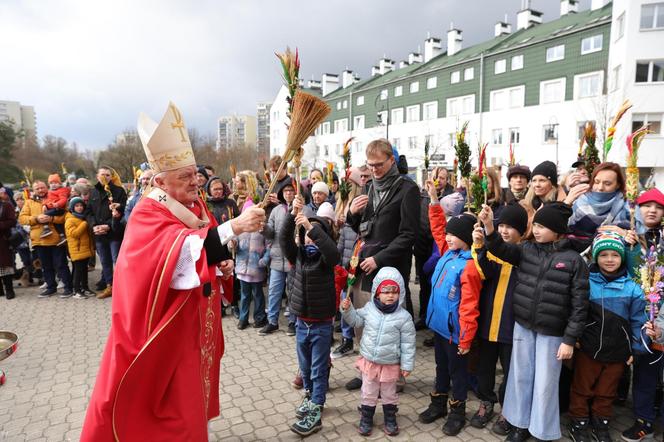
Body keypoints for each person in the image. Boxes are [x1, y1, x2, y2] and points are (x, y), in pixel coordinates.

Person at [81, 101, 265, 441]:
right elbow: (176, 254)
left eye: (195, 173)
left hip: (193, 326)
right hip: (159, 328)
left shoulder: (194, 204)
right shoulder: (148, 211)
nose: (196, 182)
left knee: (192, 396)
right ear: (161, 182)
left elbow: (202, 247)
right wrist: (235, 227)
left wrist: (219, 261)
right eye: (185, 177)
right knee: (168, 406)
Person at [478, 201, 589, 442]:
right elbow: (500, 249)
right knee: (520, 377)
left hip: (553, 333)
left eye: (542, 226)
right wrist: (488, 226)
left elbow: (580, 305)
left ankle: (541, 430)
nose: (536, 230)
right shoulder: (526, 249)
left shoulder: (573, 261)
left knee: (545, 382)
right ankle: (519, 424)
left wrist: (569, 339)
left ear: (558, 229)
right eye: (535, 224)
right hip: (523, 326)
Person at [344, 139, 420, 391]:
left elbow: (409, 234)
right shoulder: (368, 187)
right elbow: (361, 228)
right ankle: (367, 370)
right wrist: (352, 214)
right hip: (365, 263)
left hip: (390, 266)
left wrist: (380, 258)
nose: (374, 170)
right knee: (366, 319)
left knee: (390, 325)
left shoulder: (407, 189)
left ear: (391, 160)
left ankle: (392, 376)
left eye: (379, 165)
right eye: (370, 165)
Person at [568, 231, 646, 442]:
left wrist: (636, 349)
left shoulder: (632, 288)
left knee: (607, 391)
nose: (609, 260)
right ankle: (579, 420)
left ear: (622, 257)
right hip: (588, 348)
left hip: (619, 352)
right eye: (603, 255)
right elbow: (576, 311)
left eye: (615, 255)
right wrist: (574, 337)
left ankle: (601, 422)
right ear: (595, 257)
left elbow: (639, 321)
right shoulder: (586, 282)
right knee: (582, 388)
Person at [418, 180, 481, 437]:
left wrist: (466, 338)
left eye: (453, 235)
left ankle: (457, 411)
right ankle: (438, 404)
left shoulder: (470, 266)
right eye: (448, 235)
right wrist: (433, 200)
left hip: (457, 334)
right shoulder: (448, 253)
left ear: (466, 239)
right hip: (440, 329)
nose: (447, 237)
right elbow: (438, 228)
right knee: (441, 368)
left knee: (458, 374)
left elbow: (469, 306)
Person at [280, 193, 340, 437]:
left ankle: (317, 405)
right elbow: (284, 238)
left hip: (321, 325)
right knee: (305, 369)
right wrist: (292, 215)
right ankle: (309, 396)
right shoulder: (298, 256)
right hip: (300, 323)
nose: (310, 237)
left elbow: (333, 254)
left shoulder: (326, 260)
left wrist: (310, 226)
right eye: (306, 234)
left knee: (317, 368)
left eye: (315, 234)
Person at [468, 203, 528, 435]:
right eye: (500, 225)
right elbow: (484, 271)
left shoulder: (524, 255)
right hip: (487, 325)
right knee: (485, 369)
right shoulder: (492, 250)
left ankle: (508, 410)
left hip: (511, 328)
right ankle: (486, 402)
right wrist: (479, 246)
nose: (504, 230)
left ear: (522, 231)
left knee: (511, 371)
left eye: (510, 227)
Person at [340, 266, 416, 437]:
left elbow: (408, 343)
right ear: (376, 292)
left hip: (390, 364)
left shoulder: (404, 317)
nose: (390, 296)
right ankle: (366, 417)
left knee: (389, 393)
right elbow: (355, 321)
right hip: (370, 363)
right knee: (368, 392)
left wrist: (407, 364)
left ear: (400, 293)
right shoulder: (369, 309)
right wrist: (347, 310)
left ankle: (390, 417)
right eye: (386, 291)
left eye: (394, 292)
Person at [620, 187, 664, 442]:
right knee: (646, 370)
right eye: (647, 206)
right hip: (641, 315)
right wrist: (626, 245)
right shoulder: (632, 240)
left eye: (658, 207)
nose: (652, 211)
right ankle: (644, 420)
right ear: (638, 209)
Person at [19, 180, 73, 298]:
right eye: (37, 188)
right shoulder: (29, 202)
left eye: (42, 187)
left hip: (56, 239)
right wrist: (37, 219)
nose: (40, 190)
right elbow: (22, 219)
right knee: (46, 266)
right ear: (33, 190)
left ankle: (68, 287)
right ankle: (51, 287)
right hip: (39, 240)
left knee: (61, 264)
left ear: (47, 187)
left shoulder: (55, 198)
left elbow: (65, 216)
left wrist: (51, 219)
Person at [331, 168, 363, 358]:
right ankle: (346, 339)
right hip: (345, 268)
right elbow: (341, 245)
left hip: (360, 268)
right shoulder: (346, 224)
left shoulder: (363, 218)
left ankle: (359, 340)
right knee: (345, 302)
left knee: (357, 307)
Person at [567, 162, 630, 248]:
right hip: (574, 254)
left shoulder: (628, 207)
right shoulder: (578, 199)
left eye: (607, 184)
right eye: (596, 182)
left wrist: (625, 234)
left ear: (618, 185)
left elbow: (638, 241)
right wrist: (566, 204)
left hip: (612, 258)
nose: (600, 187)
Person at [261, 179, 295, 336]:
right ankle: (272, 322)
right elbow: (270, 234)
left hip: (293, 259)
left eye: (291, 190)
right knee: (274, 291)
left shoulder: (302, 210)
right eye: (286, 190)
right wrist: (263, 228)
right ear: (282, 193)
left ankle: (293, 322)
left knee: (293, 291)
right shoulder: (276, 211)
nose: (288, 193)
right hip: (276, 259)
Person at [86, 166, 127, 298]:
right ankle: (110, 286)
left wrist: (108, 225)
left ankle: (123, 286)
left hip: (114, 233)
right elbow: (89, 212)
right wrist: (94, 226)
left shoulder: (119, 191)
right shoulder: (93, 192)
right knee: (105, 261)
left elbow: (122, 211)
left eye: (108, 175)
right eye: (102, 174)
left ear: (111, 177)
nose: (105, 177)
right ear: (97, 176)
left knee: (117, 260)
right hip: (99, 234)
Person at [234, 200, 269, 330]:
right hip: (242, 268)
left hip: (256, 268)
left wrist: (264, 260)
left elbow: (268, 246)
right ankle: (243, 319)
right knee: (244, 295)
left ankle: (259, 318)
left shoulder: (262, 228)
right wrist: (232, 244)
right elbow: (234, 244)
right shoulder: (240, 228)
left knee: (258, 294)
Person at [520, 160, 567, 238]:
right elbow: (522, 234)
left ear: (552, 183)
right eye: (534, 181)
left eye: (542, 180)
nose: (537, 185)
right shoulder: (524, 204)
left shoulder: (564, 204)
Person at [65, 197, 95, 299]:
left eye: (81, 205)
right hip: (77, 250)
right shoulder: (70, 220)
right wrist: (84, 224)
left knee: (84, 270)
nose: (79, 208)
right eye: (77, 206)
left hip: (85, 249)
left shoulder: (82, 218)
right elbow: (74, 234)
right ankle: (76, 291)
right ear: (72, 207)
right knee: (78, 271)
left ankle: (85, 288)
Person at [39, 173, 70, 245]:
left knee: (45, 214)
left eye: (55, 183)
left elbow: (63, 199)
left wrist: (57, 204)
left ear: (59, 183)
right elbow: (47, 201)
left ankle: (46, 228)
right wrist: (45, 205)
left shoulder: (62, 190)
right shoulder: (50, 192)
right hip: (53, 209)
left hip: (59, 209)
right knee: (56, 223)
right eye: (51, 183)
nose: (53, 184)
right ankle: (62, 236)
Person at [0, 188, 17, 299]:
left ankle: (9, 290)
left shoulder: (6, 205)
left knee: (5, 266)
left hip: (3, 240)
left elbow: (12, 221)